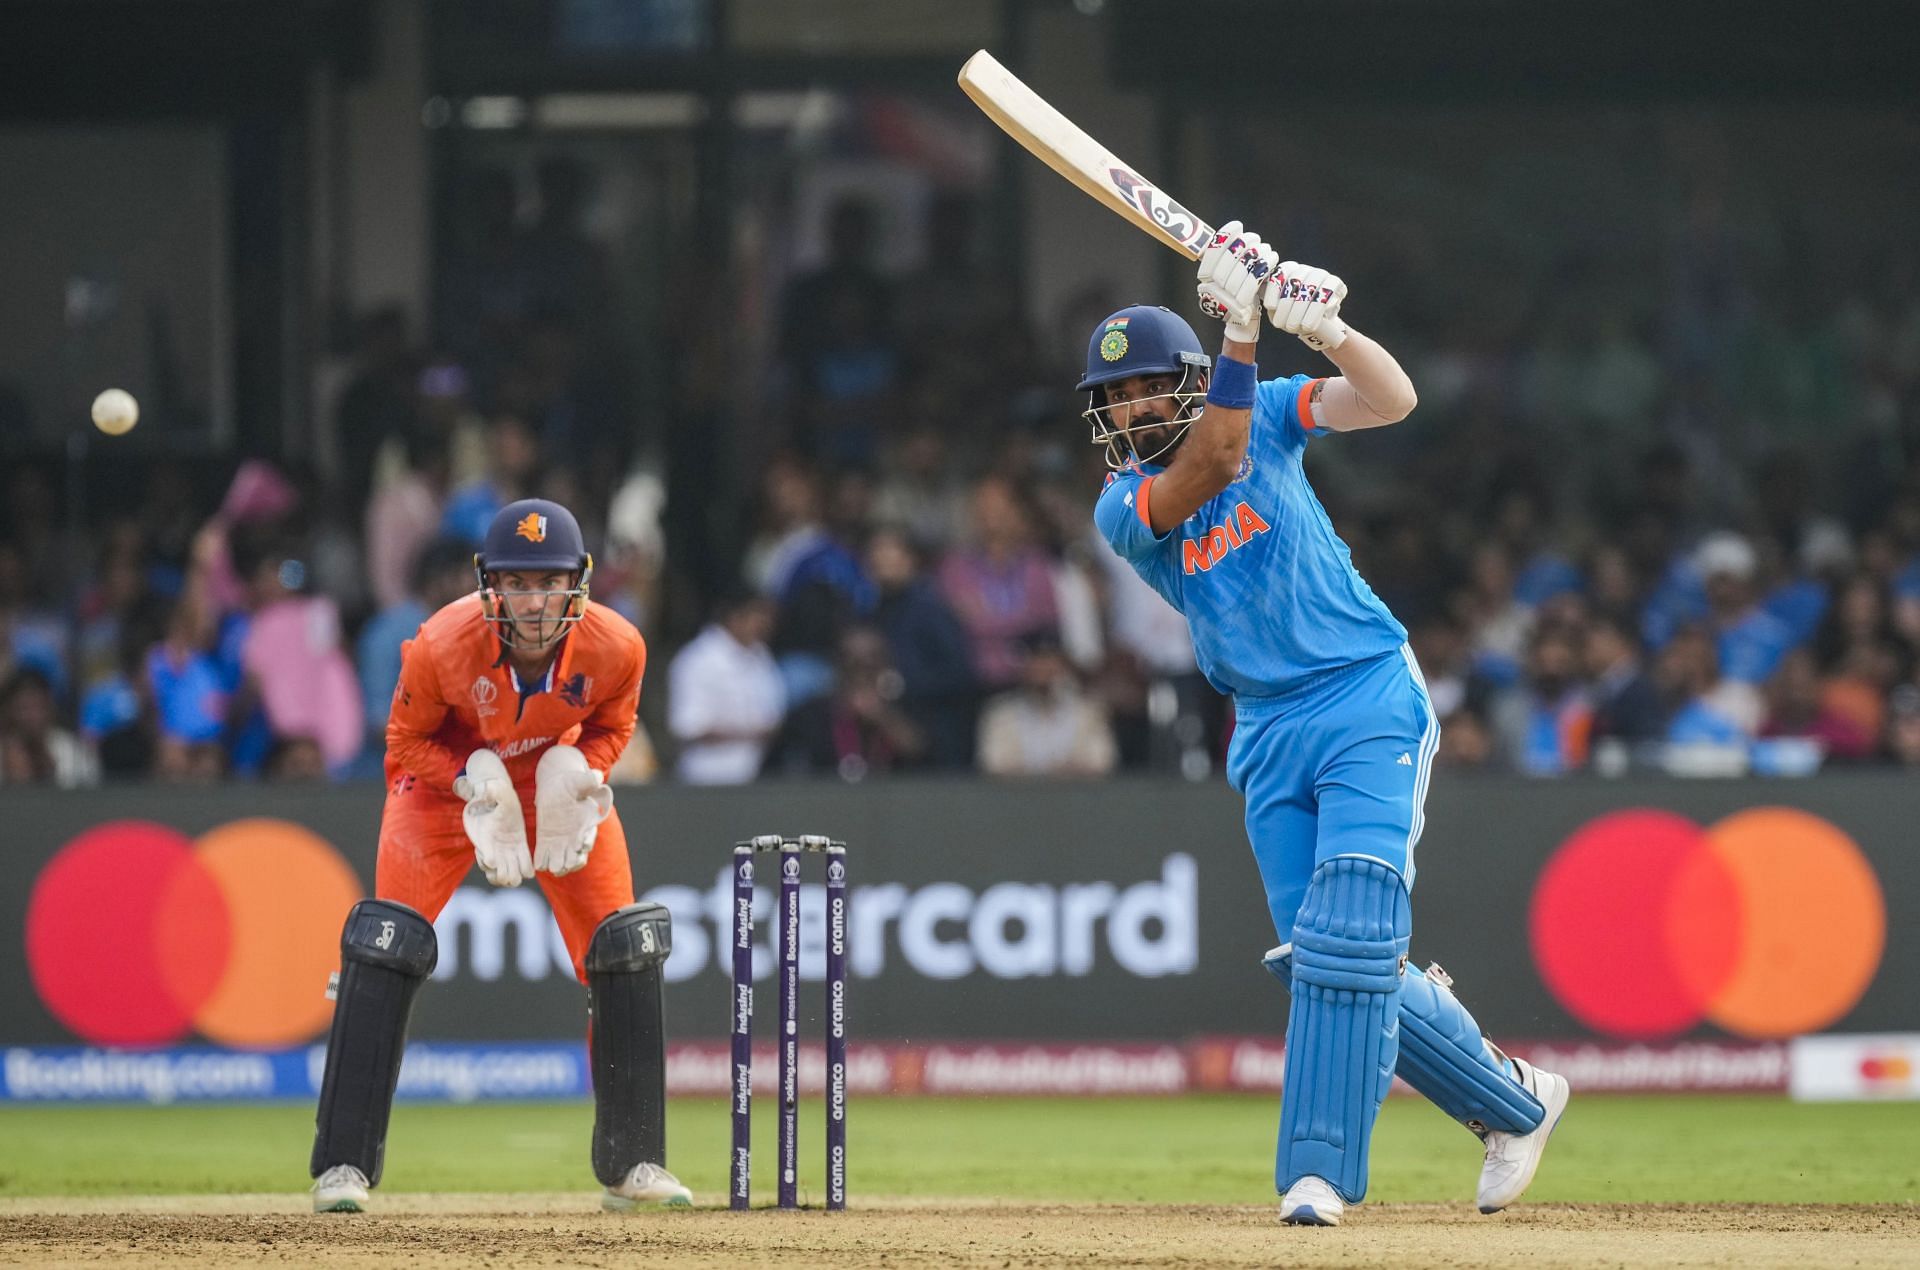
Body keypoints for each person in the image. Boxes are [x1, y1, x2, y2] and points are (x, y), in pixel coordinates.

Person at [1080, 224, 1567, 1226]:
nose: (1128, 411)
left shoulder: (1263, 405)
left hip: (1363, 694)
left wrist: (1333, 332)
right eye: (1113, 400)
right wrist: (1247, 327)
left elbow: (1393, 399)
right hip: (1264, 727)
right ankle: (1517, 1102)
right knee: (1332, 959)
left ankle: (1318, 1175)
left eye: (1142, 389)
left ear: (1182, 378)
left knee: (1347, 937)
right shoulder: (1125, 504)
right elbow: (1213, 462)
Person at [309, 499, 690, 1214]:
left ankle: (634, 1163)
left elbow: (614, 724)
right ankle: (343, 1166)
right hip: (446, 790)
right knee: (384, 945)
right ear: (489, 585)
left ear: (577, 582)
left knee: (622, 946)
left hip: (556, 786)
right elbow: (403, 744)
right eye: (517, 583)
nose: (534, 600)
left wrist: (580, 774)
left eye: (547, 582)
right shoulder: (440, 643)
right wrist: (471, 782)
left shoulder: (619, 646)